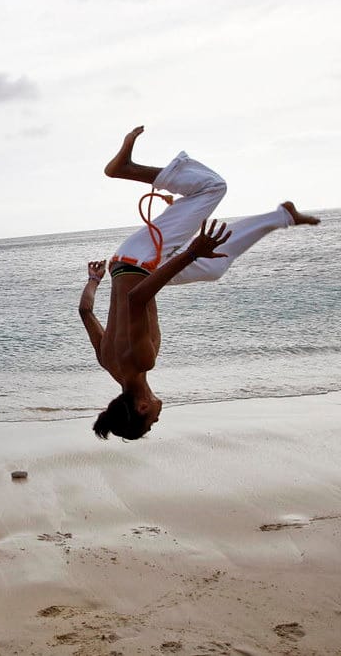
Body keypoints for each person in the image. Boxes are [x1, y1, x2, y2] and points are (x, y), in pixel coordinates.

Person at [80, 126, 320, 441]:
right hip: (129, 267)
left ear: (141, 407)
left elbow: (136, 300)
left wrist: (191, 252)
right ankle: (282, 216)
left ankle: (125, 169)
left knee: (212, 187)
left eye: (150, 423)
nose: (156, 419)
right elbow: (85, 312)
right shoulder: (112, 366)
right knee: (214, 266)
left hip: (140, 260)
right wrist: (94, 281)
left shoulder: (141, 360)